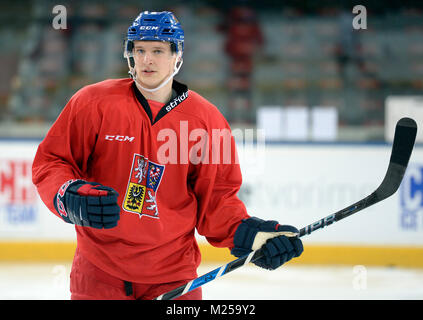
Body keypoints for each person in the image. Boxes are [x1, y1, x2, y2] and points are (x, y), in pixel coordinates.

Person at [32, 10, 303, 300]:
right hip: (99, 274)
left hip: (174, 280)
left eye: (158, 51)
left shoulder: (207, 121)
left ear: (177, 56)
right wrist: (69, 194)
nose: (147, 60)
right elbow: (52, 162)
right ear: (130, 55)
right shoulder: (92, 103)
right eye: (140, 50)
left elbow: (218, 200)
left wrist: (252, 236)